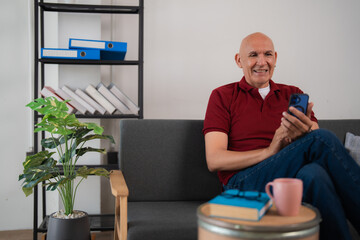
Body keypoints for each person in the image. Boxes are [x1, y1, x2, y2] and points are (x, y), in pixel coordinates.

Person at [203, 32, 360, 240]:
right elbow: (214, 160)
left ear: (275, 58)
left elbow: (316, 145)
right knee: (321, 139)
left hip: (289, 178)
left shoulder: (292, 93)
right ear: (239, 60)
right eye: (253, 55)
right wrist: (270, 151)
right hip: (242, 183)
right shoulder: (222, 96)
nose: (261, 61)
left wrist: (305, 130)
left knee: (315, 174)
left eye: (267, 54)